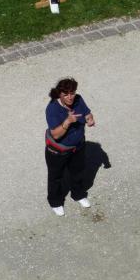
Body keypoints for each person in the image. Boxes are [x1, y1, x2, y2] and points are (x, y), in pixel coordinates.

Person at [45, 78, 95, 216]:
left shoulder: (78, 99)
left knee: (78, 171)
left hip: (78, 146)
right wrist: (67, 122)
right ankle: (55, 202)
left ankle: (78, 195)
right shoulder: (52, 108)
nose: (70, 97)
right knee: (56, 177)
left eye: (72, 93)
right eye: (65, 94)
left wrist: (90, 119)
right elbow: (55, 134)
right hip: (57, 151)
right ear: (59, 94)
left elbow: (87, 113)